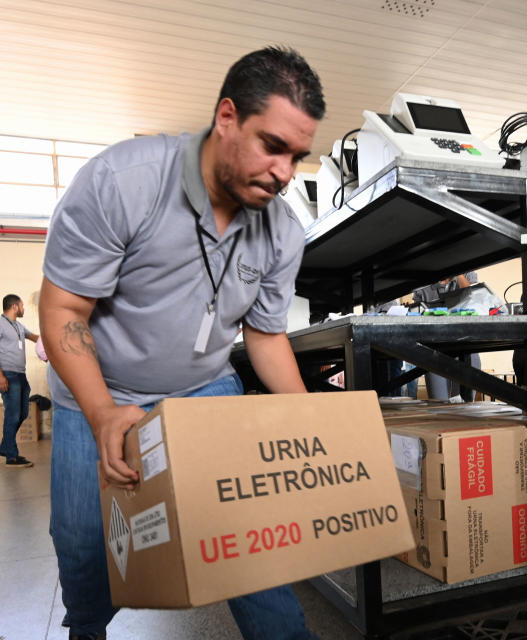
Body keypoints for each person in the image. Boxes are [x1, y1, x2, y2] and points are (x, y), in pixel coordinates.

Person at [39, 47, 326, 640]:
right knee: (85, 546)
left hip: (202, 384)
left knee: (247, 537)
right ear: (226, 118)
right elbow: (63, 308)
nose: (285, 173)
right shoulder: (125, 182)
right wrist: (102, 411)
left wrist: (312, 417)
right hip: (95, 390)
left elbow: (266, 335)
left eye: (297, 156)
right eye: (272, 145)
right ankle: (86, 629)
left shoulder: (283, 230)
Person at [413, 273, 482, 401]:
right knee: (438, 402)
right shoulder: (423, 282)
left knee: (465, 404)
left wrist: (459, 274)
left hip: (466, 345)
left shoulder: (468, 272)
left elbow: (473, 297)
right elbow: (416, 311)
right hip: (434, 347)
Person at [1, 294, 40, 468]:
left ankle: (5, 446)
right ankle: (12, 456)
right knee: (13, 414)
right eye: (22, 306)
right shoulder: (0, 324)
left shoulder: (18, 326)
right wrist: (0, 376)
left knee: (23, 413)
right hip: (8, 375)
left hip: (21, 375)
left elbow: (35, 338)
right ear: (15, 306)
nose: (24, 309)